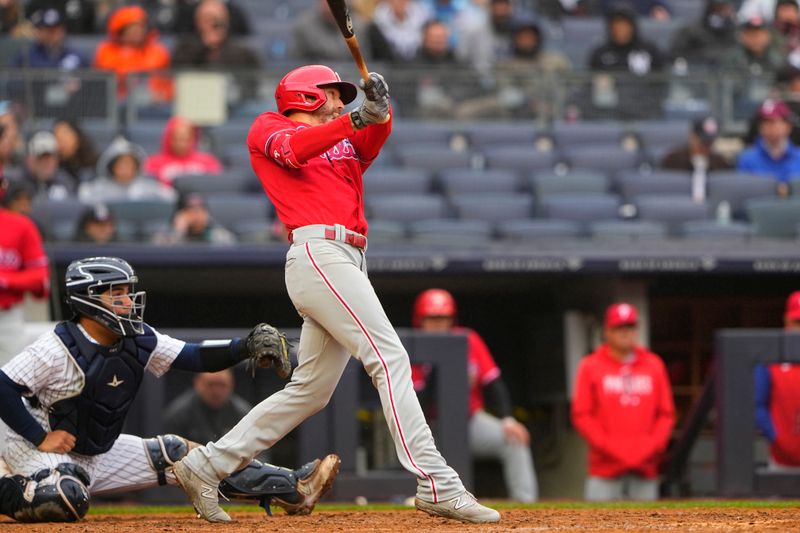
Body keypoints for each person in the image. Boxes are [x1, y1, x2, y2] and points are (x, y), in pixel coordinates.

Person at [171, 65, 500, 524]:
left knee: (310, 391)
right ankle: (436, 482)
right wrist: (357, 118)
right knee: (389, 359)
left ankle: (206, 465)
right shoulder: (270, 126)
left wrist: (381, 113)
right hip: (317, 252)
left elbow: (367, 142)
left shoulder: (341, 138)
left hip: (347, 255)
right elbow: (295, 151)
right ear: (305, 97)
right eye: (332, 94)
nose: (341, 102)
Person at [0, 256, 340, 523]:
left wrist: (243, 347)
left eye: (127, 291)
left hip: (95, 453)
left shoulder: (137, 338)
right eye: (115, 293)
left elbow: (191, 356)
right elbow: (2, 385)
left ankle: (293, 487)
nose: (126, 300)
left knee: (183, 455)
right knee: (64, 498)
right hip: (34, 451)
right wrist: (38, 437)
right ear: (88, 300)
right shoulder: (56, 347)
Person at [412, 289, 538, 502]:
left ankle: (526, 503)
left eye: (443, 318)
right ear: (420, 320)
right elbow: (419, 401)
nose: (438, 324)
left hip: (470, 421)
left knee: (514, 440)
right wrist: (437, 364)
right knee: (411, 450)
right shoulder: (414, 347)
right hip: (432, 427)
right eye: (432, 319)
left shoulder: (468, 339)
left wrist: (508, 419)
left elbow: (494, 383)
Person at [572, 303, 675, 501]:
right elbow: (582, 414)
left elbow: (666, 414)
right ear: (607, 331)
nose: (625, 333)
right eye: (619, 328)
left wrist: (651, 447)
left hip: (645, 467)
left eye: (630, 327)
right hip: (604, 467)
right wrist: (609, 447)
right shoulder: (590, 365)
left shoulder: (654, 364)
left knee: (647, 526)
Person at [755, 291, 800, 470]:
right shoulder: (770, 358)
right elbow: (757, 405)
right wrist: (776, 438)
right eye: (797, 322)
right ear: (787, 320)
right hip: (781, 460)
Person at [93, 5, 172, 101]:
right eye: (132, 27)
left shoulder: (158, 52)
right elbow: (100, 84)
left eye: (141, 27)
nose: (138, 31)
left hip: (153, 106)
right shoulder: (106, 51)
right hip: (116, 105)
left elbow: (169, 84)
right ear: (121, 31)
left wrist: (165, 95)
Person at [164, 369, 253, 445]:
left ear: (231, 385)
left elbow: (256, 452)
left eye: (222, 385)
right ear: (197, 384)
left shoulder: (243, 413)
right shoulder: (178, 414)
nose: (217, 391)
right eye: (211, 385)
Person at [79, 137, 175, 203]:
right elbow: (83, 196)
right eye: (121, 165)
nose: (126, 169)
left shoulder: (147, 186)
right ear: (112, 167)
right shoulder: (98, 187)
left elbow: (170, 196)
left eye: (130, 165)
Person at [659, 116, 733, 201]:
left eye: (710, 142)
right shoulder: (672, 161)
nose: (706, 147)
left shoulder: (721, 164)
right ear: (692, 136)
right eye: (703, 142)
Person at [171, 0, 260, 70]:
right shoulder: (185, 50)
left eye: (220, 19)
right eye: (209, 18)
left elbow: (253, 75)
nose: (216, 24)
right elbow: (178, 70)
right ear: (198, 22)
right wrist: (205, 45)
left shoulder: (242, 53)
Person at [143, 116, 223, 187]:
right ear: (168, 138)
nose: (181, 144)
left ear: (193, 139)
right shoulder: (152, 163)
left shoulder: (208, 161)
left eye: (185, 139)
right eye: (176, 139)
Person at [737, 98, 800, 187]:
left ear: (788, 126)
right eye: (764, 122)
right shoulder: (747, 159)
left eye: (773, 122)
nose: (768, 127)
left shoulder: (798, 157)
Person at [669, 0, 737, 69]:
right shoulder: (690, 32)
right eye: (718, 10)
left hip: (725, 75)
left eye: (725, 10)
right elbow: (675, 55)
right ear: (710, 10)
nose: (722, 14)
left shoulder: (733, 34)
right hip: (697, 73)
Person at [14, 7, 88, 70]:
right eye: (49, 30)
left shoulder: (76, 56)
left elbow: (90, 82)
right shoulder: (27, 57)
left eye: (57, 29)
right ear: (39, 32)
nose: (54, 34)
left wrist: (78, 84)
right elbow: (13, 83)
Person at [153, 192, 236, 245]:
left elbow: (229, 250)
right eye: (190, 209)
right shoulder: (163, 237)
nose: (196, 214)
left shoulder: (219, 235)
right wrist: (179, 231)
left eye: (200, 208)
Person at [22, 131, 76, 200]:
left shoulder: (65, 182)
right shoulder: (21, 183)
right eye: (42, 158)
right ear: (31, 160)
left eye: (52, 157)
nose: (48, 163)